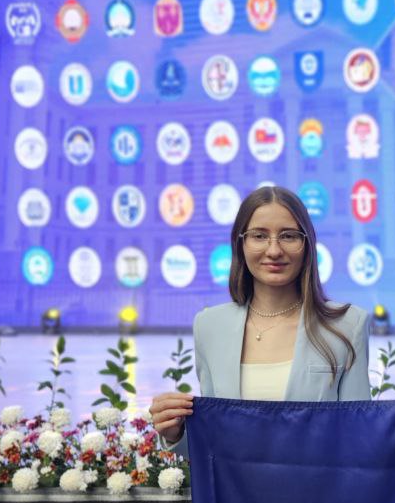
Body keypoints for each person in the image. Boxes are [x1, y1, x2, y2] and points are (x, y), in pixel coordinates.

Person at [151, 184, 373, 449]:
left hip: (319, 477)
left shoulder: (348, 325)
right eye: (259, 236)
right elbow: (214, 444)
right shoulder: (210, 326)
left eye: (288, 236)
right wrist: (175, 435)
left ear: (307, 244)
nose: (274, 250)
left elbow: (360, 438)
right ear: (241, 244)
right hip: (236, 479)